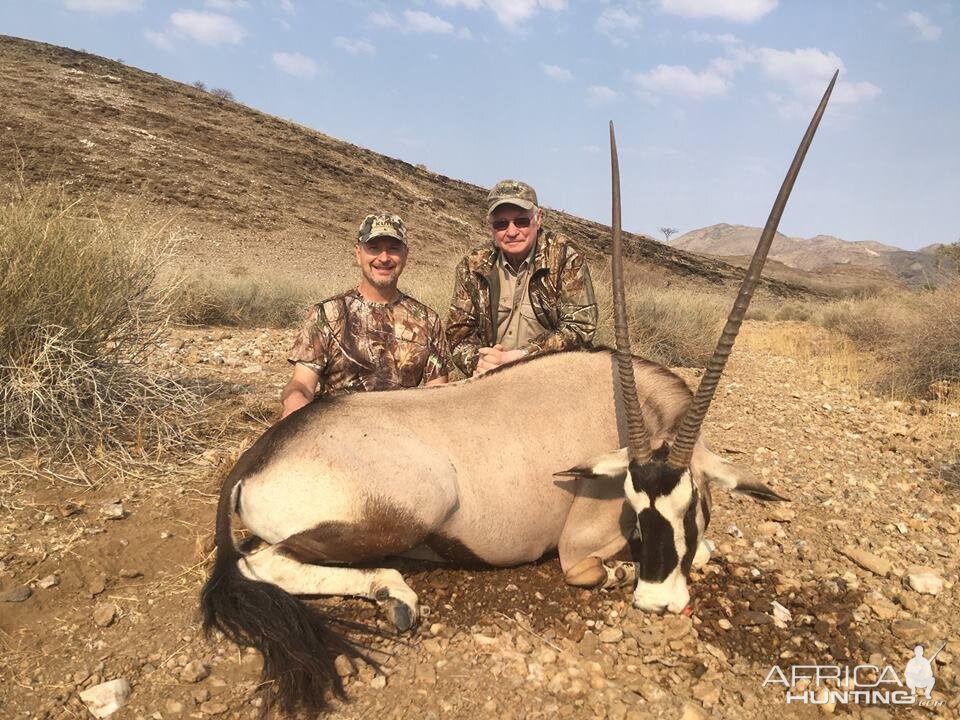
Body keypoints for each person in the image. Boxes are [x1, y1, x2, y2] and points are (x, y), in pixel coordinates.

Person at [281, 212, 449, 418]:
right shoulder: (326, 314)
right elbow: (301, 383)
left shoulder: (427, 319)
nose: (384, 258)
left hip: (404, 435)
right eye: (374, 248)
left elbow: (437, 395)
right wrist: (295, 401)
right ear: (358, 253)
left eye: (393, 249)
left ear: (405, 254)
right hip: (338, 432)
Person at [446, 179, 598, 376]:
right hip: (493, 377)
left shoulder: (566, 258)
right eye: (501, 224)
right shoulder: (472, 266)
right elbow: (458, 333)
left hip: (554, 376)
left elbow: (580, 328)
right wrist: (479, 362)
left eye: (521, 221)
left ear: (539, 218)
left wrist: (521, 357)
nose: (511, 232)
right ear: (491, 226)